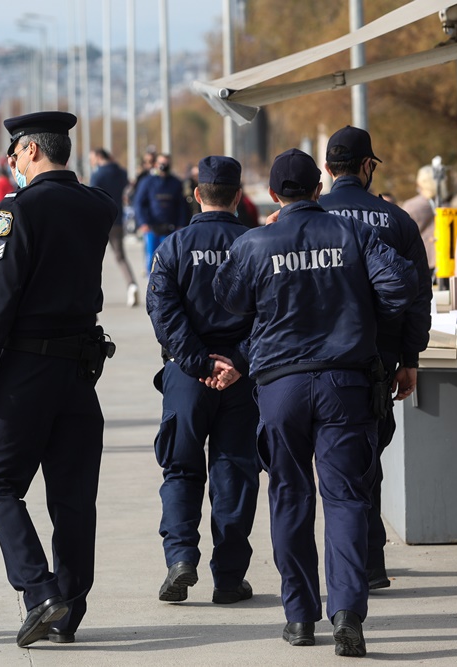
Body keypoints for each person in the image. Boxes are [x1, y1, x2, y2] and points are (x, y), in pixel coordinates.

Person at [213, 148, 416, 658]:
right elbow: (400, 285)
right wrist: (371, 324)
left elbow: (228, 297)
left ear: (274, 195)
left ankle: (300, 617)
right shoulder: (353, 234)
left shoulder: (257, 242)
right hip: (346, 384)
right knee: (347, 497)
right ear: (319, 188)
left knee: (290, 496)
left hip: (281, 387)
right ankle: (347, 611)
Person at [0, 111, 117, 648]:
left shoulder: (16, 210)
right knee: (73, 495)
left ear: (30, 151)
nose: (10, 163)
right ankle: (69, 607)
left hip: (25, 367)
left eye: (13, 153)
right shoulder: (99, 206)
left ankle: (40, 592)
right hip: (79, 368)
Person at [319, 126, 433, 591]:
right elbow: (416, 296)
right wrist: (409, 357)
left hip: (309, 361)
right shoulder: (398, 220)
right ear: (367, 167)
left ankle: (324, 570)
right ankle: (368, 562)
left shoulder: (308, 216)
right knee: (365, 461)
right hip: (376, 364)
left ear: (327, 170)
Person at [146, 156, 260, 606]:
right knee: (234, 472)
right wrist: (235, 362)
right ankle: (229, 579)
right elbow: (271, 313)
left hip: (186, 377)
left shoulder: (173, 246)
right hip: (241, 381)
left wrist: (197, 362)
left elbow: (162, 310)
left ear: (197, 194)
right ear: (237, 197)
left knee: (181, 469)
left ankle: (180, 559)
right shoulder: (256, 243)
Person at [90, 147, 139, 307]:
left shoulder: (97, 175)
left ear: (98, 157)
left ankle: (91, 293)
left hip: (99, 220)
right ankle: (131, 284)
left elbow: (92, 197)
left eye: (92, 157)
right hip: (117, 218)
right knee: (120, 256)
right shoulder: (121, 172)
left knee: (94, 258)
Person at [133, 153, 189, 276]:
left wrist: (181, 224)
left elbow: (181, 205)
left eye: (166, 163)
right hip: (152, 227)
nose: (163, 166)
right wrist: (143, 222)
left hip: (171, 227)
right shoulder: (147, 182)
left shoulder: (176, 183)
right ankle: (151, 283)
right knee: (152, 257)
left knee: (170, 258)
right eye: (161, 163)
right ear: (156, 164)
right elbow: (139, 203)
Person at [401, 165, 440, 269]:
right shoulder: (448, 206)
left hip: (422, 261)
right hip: (445, 260)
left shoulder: (411, 206)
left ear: (419, 182)